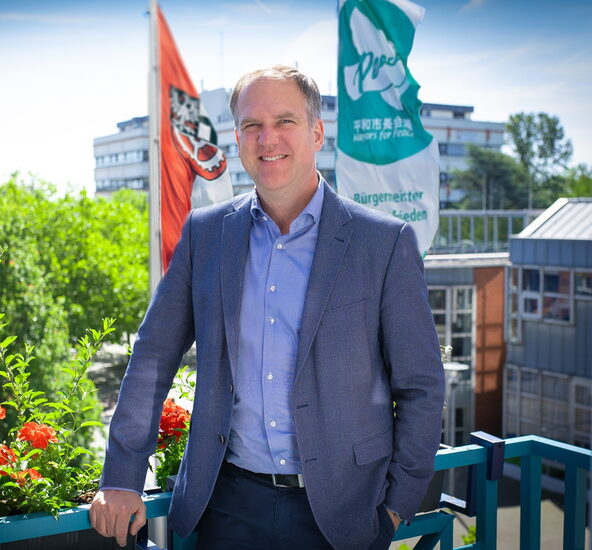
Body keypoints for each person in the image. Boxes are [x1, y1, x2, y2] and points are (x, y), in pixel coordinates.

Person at [90, 66, 445, 550]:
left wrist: (397, 504)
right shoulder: (206, 233)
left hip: (345, 516)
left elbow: (422, 386)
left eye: (285, 122)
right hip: (229, 506)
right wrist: (122, 476)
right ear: (237, 139)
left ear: (316, 132)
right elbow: (153, 357)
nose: (267, 138)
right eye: (251, 126)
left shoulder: (383, 242)